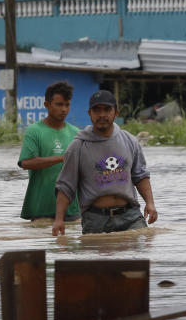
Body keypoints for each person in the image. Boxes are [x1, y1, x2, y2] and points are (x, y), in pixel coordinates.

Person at [52, 89, 158, 236]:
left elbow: (140, 175)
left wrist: (150, 203)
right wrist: (59, 219)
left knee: (140, 254)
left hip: (130, 216)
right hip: (95, 219)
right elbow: (65, 186)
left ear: (116, 113)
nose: (102, 115)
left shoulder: (129, 140)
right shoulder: (78, 146)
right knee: (97, 258)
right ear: (90, 113)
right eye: (97, 110)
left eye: (107, 109)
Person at [17, 81, 80, 221]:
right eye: (59, 104)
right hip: (41, 210)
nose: (64, 109)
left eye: (67, 105)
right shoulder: (34, 131)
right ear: (47, 105)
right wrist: (62, 158)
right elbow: (26, 162)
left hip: (72, 210)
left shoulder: (76, 133)